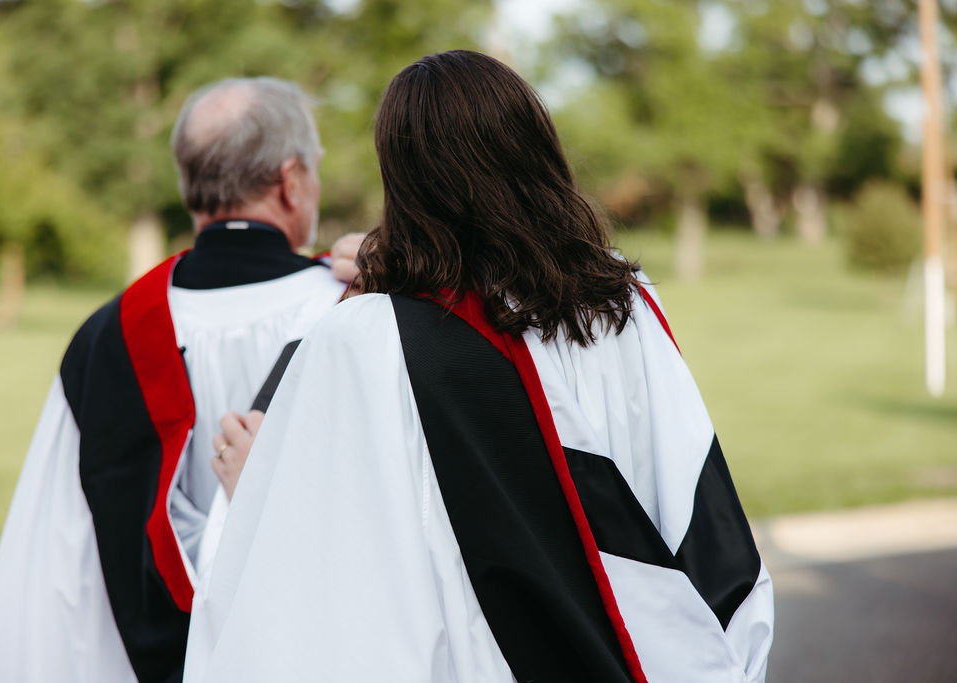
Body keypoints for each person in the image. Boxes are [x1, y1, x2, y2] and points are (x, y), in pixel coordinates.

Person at [184, 50, 774, 683]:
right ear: (538, 151)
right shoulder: (622, 303)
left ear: (401, 179)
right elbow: (698, 513)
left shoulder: (365, 336)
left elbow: (340, 588)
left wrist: (263, 491)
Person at [0, 76, 361, 683]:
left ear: (191, 184)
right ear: (290, 180)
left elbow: (55, 566)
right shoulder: (356, 313)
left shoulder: (105, 337)